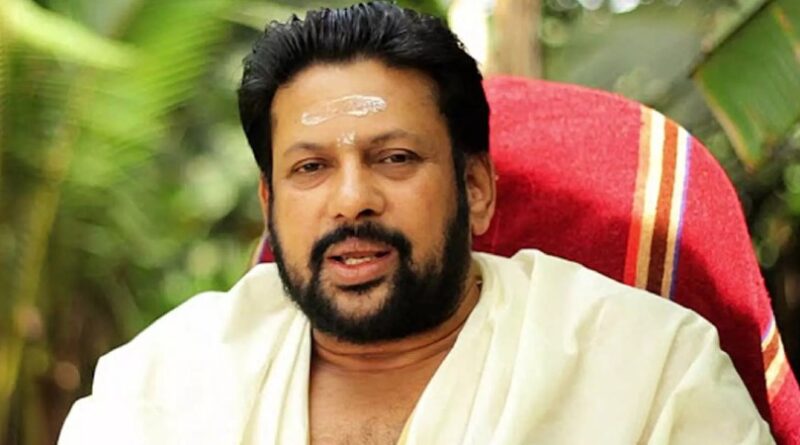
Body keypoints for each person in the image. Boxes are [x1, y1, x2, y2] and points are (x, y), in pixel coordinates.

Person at [59, 2, 774, 444]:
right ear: (271, 207)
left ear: (476, 189)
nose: (351, 200)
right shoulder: (164, 384)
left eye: (394, 158)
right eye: (311, 167)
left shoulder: (645, 369)